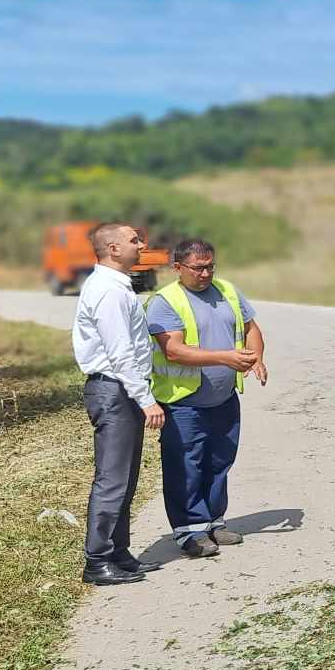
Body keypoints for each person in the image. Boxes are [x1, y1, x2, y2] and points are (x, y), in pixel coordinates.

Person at [146, 238, 266, 559]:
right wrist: (225, 358)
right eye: (198, 268)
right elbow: (174, 350)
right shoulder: (165, 301)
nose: (205, 273)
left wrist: (257, 359)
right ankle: (189, 529)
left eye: (210, 266)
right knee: (186, 465)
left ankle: (215, 520)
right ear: (178, 268)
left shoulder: (227, 290)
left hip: (224, 399)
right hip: (184, 403)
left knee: (219, 461)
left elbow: (251, 327)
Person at [70, 222, 164, 586]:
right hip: (115, 391)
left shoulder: (118, 287)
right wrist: (146, 399)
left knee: (125, 477)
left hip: (121, 389)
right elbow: (120, 353)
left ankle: (119, 553)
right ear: (112, 249)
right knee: (111, 479)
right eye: (134, 240)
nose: (142, 245)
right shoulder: (108, 291)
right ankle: (97, 561)